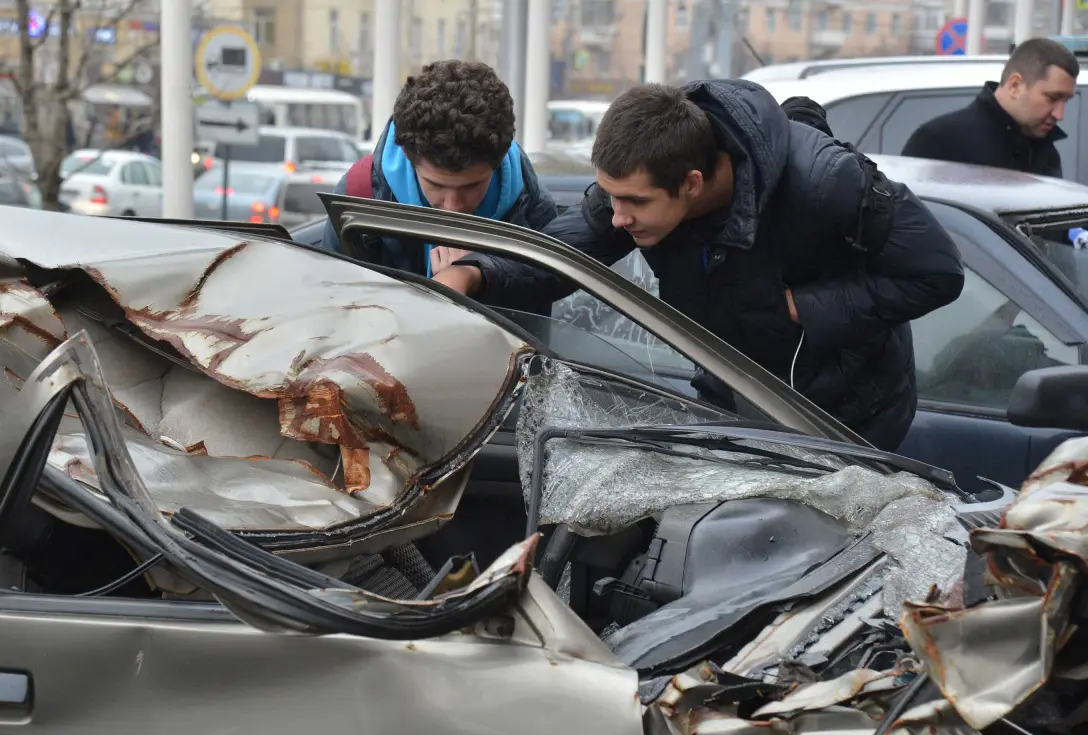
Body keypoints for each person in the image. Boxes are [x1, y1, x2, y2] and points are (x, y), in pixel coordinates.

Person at [432, 81, 966, 451]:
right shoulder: (651, 161)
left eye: (634, 203)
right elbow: (564, 254)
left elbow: (938, 272)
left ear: (691, 183)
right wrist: (474, 273)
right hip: (730, 404)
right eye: (609, 196)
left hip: (847, 420)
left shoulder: (828, 185)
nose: (616, 218)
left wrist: (805, 308)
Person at [321, 60, 556, 278]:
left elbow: (538, 312)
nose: (453, 208)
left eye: (472, 186)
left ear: (500, 160)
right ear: (407, 155)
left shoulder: (533, 209)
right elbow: (335, 307)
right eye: (435, 185)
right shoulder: (358, 198)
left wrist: (482, 281)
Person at [902, 37, 1078, 178]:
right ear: (1014, 86)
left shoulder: (1045, 153)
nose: (1059, 114)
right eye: (1052, 98)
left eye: (1065, 101)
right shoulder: (939, 142)